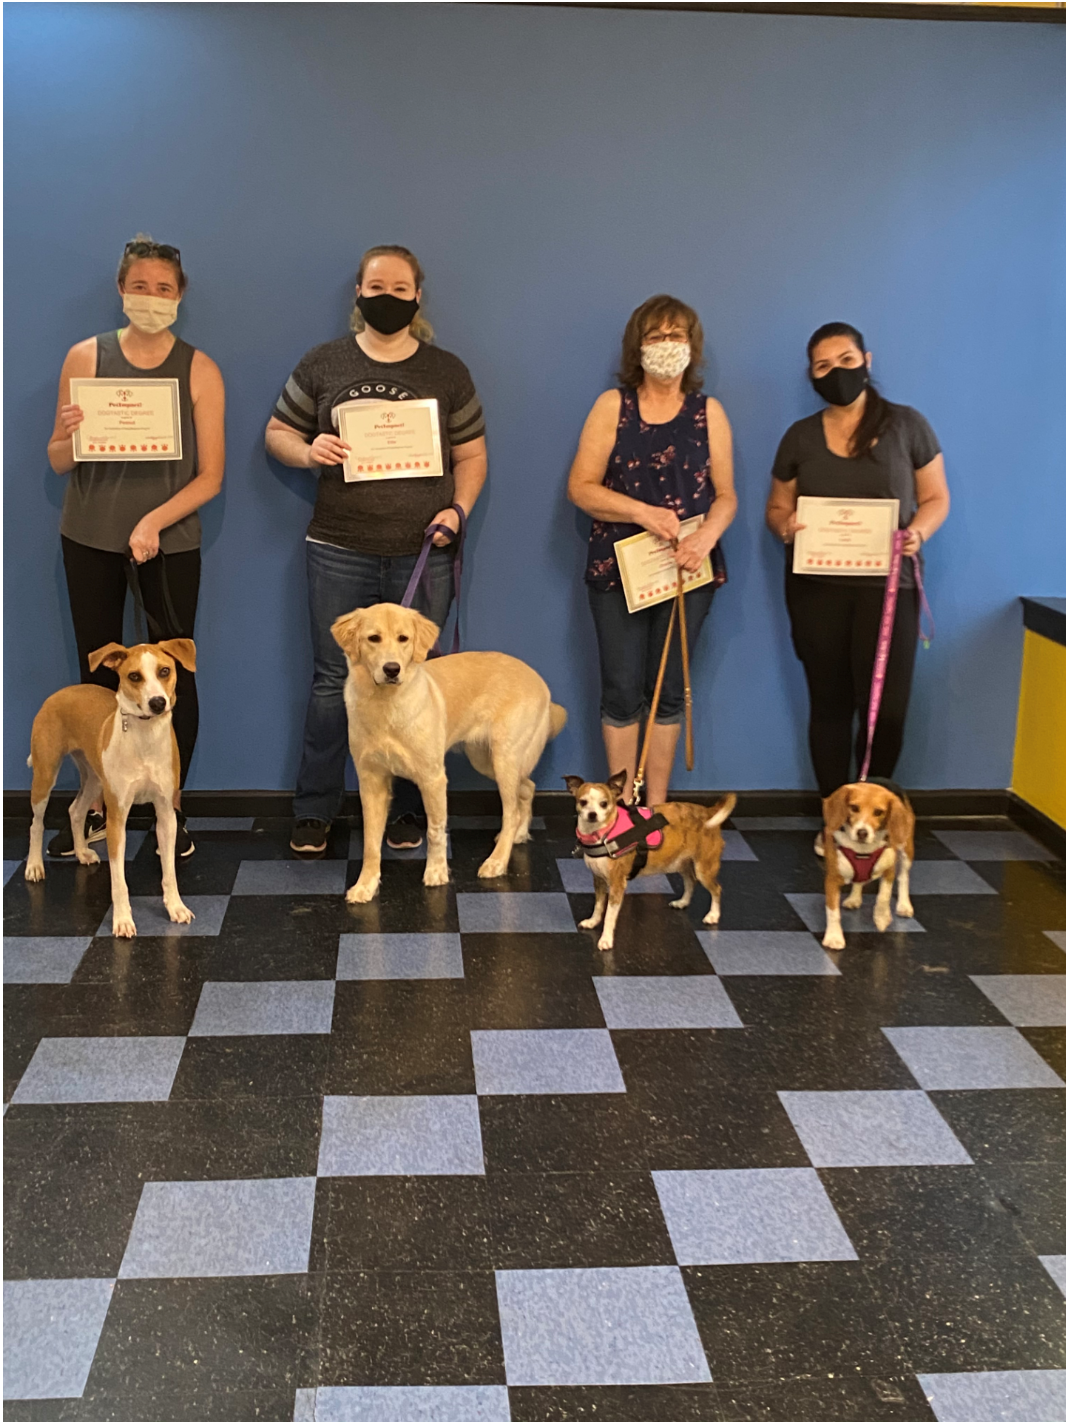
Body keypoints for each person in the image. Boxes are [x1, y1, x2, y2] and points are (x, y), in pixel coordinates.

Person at [266, 244, 487, 855]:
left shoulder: (448, 371)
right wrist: (307, 451)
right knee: (331, 679)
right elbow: (278, 432)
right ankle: (315, 809)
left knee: (421, 679)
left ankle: (411, 810)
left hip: (424, 549)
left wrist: (458, 509)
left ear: (417, 298)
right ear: (356, 295)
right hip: (338, 546)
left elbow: (471, 455)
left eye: (398, 289)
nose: (385, 298)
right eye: (375, 287)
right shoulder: (323, 362)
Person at [46, 235, 226, 859]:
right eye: (140, 286)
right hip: (89, 536)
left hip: (169, 541)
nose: (152, 298)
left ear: (180, 296)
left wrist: (153, 521)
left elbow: (211, 476)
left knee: (176, 675)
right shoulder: (84, 357)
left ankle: (171, 814)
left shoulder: (198, 367)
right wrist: (68, 436)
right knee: (98, 678)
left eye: (164, 289)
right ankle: (99, 810)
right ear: (122, 290)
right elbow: (59, 460)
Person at [765, 321, 950, 829]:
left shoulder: (908, 426)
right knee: (830, 706)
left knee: (886, 710)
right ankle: (835, 821)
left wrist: (917, 534)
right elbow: (777, 507)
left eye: (845, 361)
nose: (836, 373)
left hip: (890, 591)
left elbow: (935, 498)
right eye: (823, 366)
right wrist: (787, 527)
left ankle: (876, 817)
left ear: (867, 360)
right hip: (816, 590)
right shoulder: (800, 437)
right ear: (812, 375)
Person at [568, 294, 737, 807]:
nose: (667, 346)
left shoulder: (709, 413)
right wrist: (642, 512)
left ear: (693, 345)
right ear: (637, 347)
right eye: (656, 336)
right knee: (621, 689)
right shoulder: (611, 407)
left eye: (676, 335)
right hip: (618, 567)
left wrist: (707, 535)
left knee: (667, 693)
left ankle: (655, 808)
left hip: (688, 567)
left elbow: (726, 496)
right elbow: (581, 487)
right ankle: (620, 809)